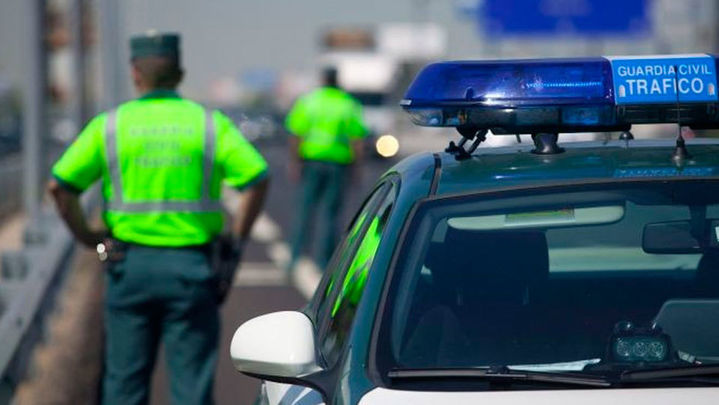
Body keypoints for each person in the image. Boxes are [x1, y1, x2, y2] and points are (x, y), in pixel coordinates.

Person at [48, 32, 269, 405]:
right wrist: (236, 239)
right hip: (191, 269)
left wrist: (88, 237)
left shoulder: (111, 125)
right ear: (179, 74)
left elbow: (60, 187)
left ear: (135, 73)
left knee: (124, 385)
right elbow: (256, 178)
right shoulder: (208, 124)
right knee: (191, 388)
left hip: (128, 267)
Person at [285, 67, 367, 273]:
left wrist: (294, 162)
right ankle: (324, 262)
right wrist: (357, 168)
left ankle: (294, 257)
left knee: (305, 210)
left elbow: (296, 134)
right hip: (338, 163)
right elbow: (357, 139)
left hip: (311, 161)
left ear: (322, 80)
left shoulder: (308, 101)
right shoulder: (347, 104)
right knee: (330, 214)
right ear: (337, 80)